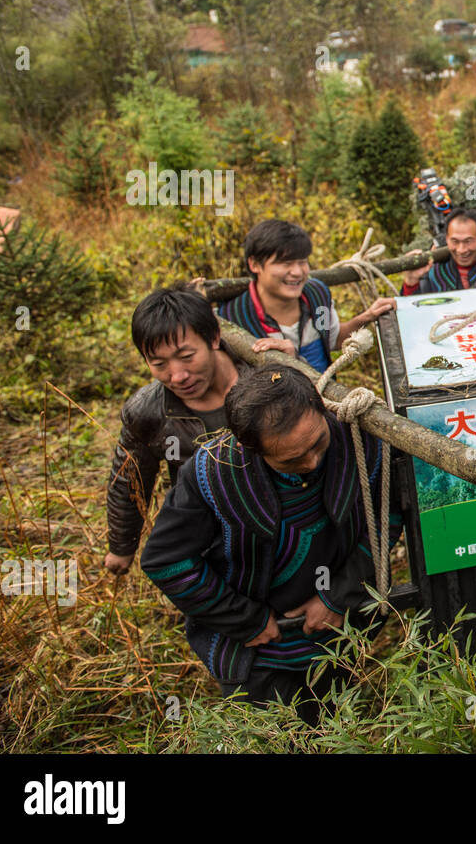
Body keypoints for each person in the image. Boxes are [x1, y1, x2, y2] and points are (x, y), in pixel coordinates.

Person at [141, 366, 399, 724]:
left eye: (317, 444)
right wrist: (247, 619)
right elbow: (167, 562)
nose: (312, 462)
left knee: (337, 723)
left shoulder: (357, 440)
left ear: (320, 408)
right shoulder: (212, 474)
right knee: (276, 733)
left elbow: (385, 519)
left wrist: (336, 597)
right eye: (292, 459)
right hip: (256, 649)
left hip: (336, 631)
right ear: (251, 450)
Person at [105, 288, 244, 576]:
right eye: (159, 364)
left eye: (187, 356)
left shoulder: (264, 381)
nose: (178, 375)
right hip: (208, 535)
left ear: (214, 338)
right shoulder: (147, 412)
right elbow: (129, 480)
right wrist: (121, 546)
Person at [218, 219, 396, 372]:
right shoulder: (233, 319)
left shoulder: (317, 298)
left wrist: (368, 316)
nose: (297, 272)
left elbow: (331, 338)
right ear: (255, 264)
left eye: (302, 262)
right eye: (285, 263)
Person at [400, 208, 476, 295]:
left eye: (468, 241)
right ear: (447, 238)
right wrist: (411, 280)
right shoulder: (433, 268)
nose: (461, 250)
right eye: (455, 241)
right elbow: (411, 308)